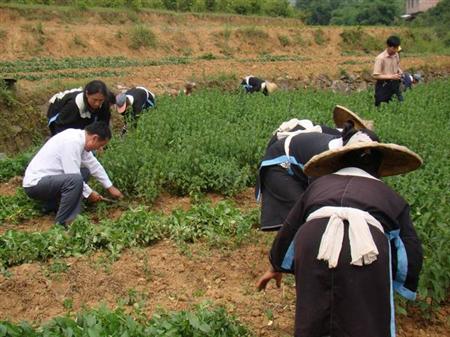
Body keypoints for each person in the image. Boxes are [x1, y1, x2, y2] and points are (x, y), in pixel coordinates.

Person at [257, 133, 423, 337]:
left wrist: (276, 264)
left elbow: (290, 228)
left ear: (340, 161)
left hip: (314, 240)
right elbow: (409, 249)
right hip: (365, 246)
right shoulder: (389, 196)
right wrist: (399, 281)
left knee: (313, 313)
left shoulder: (317, 187)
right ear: (378, 167)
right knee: (366, 319)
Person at [256, 105, 374, 231]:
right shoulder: (330, 153)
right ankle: (290, 248)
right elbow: (319, 191)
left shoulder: (342, 143)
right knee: (301, 215)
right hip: (279, 164)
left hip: (300, 162)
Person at [22, 122, 123, 228]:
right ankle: (64, 223)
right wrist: (89, 193)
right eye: (100, 145)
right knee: (75, 180)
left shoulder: (81, 141)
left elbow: (94, 165)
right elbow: (73, 174)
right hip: (36, 184)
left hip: (50, 181)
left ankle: (52, 206)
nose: (99, 149)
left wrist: (110, 187)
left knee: (85, 172)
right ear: (94, 138)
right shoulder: (72, 142)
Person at [47, 80, 112, 136]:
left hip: (84, 113)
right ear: (87, 94)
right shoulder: (73, 104)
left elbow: (103, 124)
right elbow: (60, 126)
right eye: (94, 100)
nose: (97, 103)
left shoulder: (104, 103)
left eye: (100, 100)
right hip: (59, 116)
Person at [373, 35, 403, 107]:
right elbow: (375, 75)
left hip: (395, 84)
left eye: (397, 48)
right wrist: (391, 76)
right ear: (389, 47)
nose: (396, 51)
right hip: (383, 85)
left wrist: (400, 71)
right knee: (381, 107)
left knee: (400, 104)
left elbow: (397, 66)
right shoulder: (380, 58)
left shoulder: (396, 55)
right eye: (394, 48)